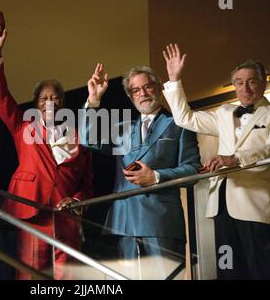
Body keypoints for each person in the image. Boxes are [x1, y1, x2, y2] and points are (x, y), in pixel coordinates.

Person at [162, 44, 270, 279]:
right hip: (221, 204)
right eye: (239, 82)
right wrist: (174, 79)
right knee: (229, 273)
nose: (245, 87)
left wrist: (235, 159)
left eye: (252, 81)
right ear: (233, 85)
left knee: (263, 271)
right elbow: (185, 118)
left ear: (263, 82)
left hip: (256, 206)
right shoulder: (223, 113)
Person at [0, 25, 93, 279]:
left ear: (62, 103)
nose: (49, 103)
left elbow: (87, 184)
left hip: (67, 218)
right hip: (33, 213)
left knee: (69, 277)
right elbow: (0, 98)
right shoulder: (23, 128)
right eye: (43, 99)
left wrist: (76, 201)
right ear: (36, 105)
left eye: (54, 98)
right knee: (31, 275)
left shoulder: (79, 137)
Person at [82, 63, 201, 279]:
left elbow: (192, 170)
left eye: (147, 87)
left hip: (161, 222)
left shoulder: (179, 123)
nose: (143, 94)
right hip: (125, 222)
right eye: (136, 90)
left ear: (158, 88)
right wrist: (93, 100)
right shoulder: (123, 128)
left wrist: (156, 177)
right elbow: (88, 139)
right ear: (130, 96)